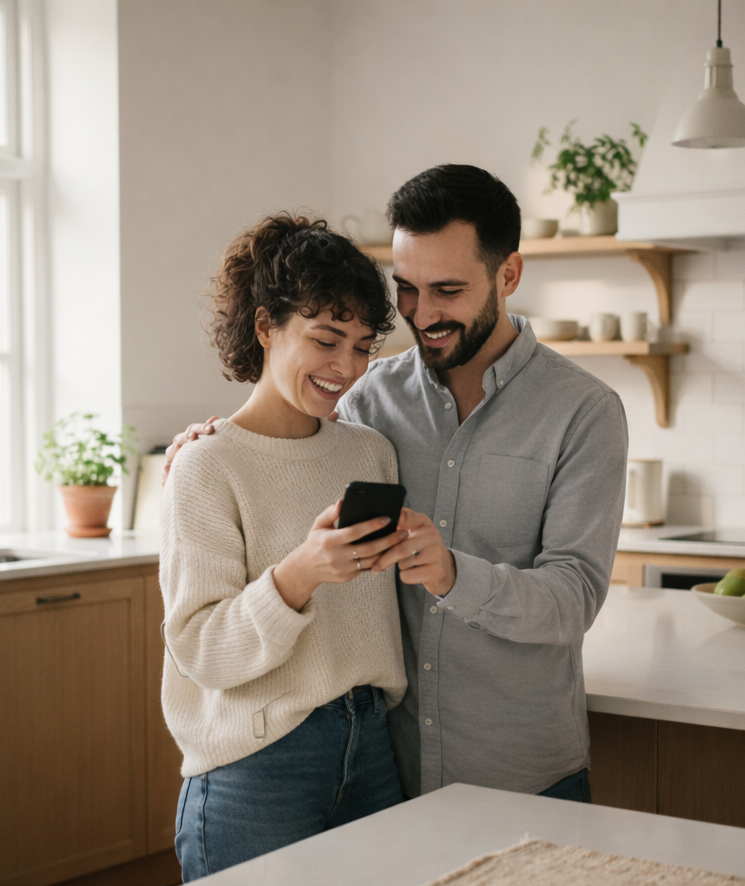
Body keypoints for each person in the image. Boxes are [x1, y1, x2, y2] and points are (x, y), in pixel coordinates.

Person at [165, 166, 629, 803]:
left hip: (522, 770)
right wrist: (205, 446)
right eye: (407, 288)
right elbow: (286, 433)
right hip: (389, 775)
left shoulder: (584, 411)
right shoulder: (367, 398)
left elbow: (574, 597)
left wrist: (454, 574)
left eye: (448, 290)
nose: (423, 313)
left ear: (509, 275)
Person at [161, 214, 409, 886]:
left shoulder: (371, 454)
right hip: (258, 766)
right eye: (326, 340)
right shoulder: (206, 466)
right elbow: (200, 649)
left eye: (362, 347)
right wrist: (299, 574)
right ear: (265, 327)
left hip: (372, 749)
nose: (347, 368)